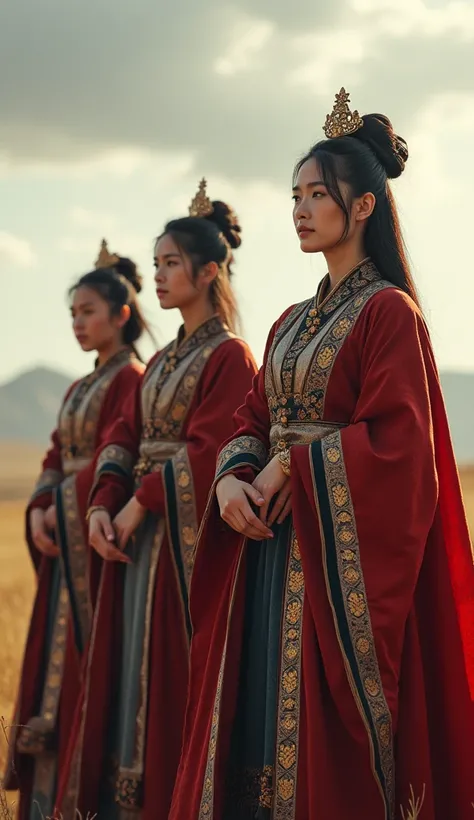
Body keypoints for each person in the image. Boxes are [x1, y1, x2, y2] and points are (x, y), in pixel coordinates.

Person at [170, 91, 474, 820]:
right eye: (296, 195)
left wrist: (293, 467)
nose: (301, 209)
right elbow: (252, 415)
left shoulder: (388, 314)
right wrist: (232, 480)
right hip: (263, 550)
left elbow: (401, 445)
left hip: (330, 566)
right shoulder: (288, 322)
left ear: (364, 206)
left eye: (318, 194)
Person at [55, 180, 258, 820]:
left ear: (208, 270)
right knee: (124, 677)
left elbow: (207, 448)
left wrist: (139, 503)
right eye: (159, 262)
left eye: (172, 263)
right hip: (133, 537)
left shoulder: (230, 356)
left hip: (180, 549)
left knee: (169, 678)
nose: (161, 276)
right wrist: (99, 505)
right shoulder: (165, 360)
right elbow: (123, 437)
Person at [4, 241, 147, 820]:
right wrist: (42, 505)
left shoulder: (130, 379)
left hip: (92, 542)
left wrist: (63, 502)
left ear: (122, 315)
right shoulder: (78, 387)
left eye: (88, 312)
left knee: (93, 669)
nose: (78, 324)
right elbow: (56, 453)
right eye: (72, 314)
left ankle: (82, 803)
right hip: (64, 538)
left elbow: (116, 455)